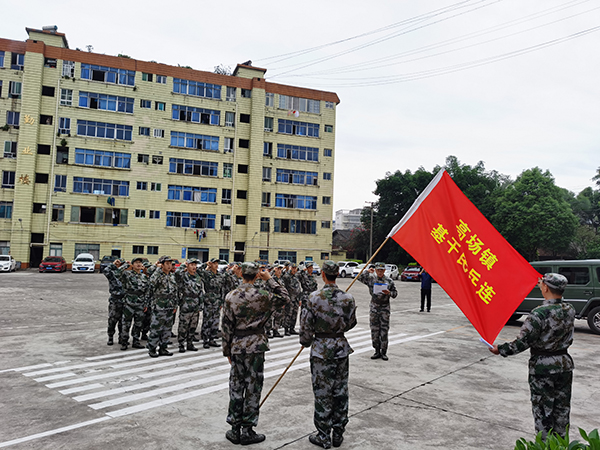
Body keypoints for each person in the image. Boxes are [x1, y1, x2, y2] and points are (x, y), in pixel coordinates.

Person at [489, 273, 575, 440]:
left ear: (546, 288)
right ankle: (561, 444)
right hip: (564, 364)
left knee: (543, 411)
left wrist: (501, 349)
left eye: (541, 284)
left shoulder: (538, 314)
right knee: (562, 410)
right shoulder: (570, 309)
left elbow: (523, 342)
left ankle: (544, 444)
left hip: (543, 367)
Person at [221, 262, 290, 445]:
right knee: (253, 388)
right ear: (256, 276)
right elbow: (285, 297)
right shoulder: (264, 295)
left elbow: (226, 326)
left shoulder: (231, 296)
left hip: (237, 345)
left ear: (241, 274)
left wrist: (227, 349)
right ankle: (247, 430)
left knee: (236, 386)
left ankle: (235, 429)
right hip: (256, 347)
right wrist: (270, 279)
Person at [300, 260, 357, 449]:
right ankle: (338, 433)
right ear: (338, 274)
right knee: (340, 391)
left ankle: (323, 435)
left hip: (321, 349)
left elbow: (306, 325)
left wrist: (306, 341)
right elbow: (351, 323)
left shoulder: (314, 297)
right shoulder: (347, 298)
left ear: (323, 274)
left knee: (323, 393)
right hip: (340, 347)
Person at [357, 262, 398, 361]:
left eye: (381, 270)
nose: (380, 272)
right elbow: (359, 278)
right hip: (374, 307)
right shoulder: (371, 279)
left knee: (384, 330)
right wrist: (367, 271)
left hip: (384, 308)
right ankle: (377, 350)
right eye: (378, 270)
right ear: (375, 270)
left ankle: (384, 352)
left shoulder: (389, 281)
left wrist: (389, 293)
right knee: (374, 330)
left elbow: (395, 293)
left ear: (384, 271)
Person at [147, 256, 179, 358]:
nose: (170, 266)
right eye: (167, 263)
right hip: (159, 305)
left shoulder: (172, 276)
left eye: (171, 264)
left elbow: (175, 292)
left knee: (167, 329)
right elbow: (152, 284)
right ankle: (152, 348)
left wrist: (175, 305)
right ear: (162, 264)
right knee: (156, 328)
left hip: (169, 305)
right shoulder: (157, 275)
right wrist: (157, 269)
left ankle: (163, 348)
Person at [118, 257, 149, 350]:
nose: (138, 264)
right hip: (129, 303)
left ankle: (136, 341)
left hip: (140, 303)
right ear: (132, 265)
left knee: (138, 324)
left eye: (140, 262)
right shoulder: (127, 274)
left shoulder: (144, 277)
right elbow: (116, 274)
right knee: (126, 324)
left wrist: (146, 303)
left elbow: (147, 291)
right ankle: (124, 342)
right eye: (136, 262)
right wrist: (125, 265)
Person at [174, 258, 203, 353]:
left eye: (195, 265)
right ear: (187, 265)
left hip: (195, 304)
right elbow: (177, 272)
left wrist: (200, 304)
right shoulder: (183, 276)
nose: (194, 267)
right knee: (183, 326)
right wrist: (183, 266)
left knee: (193, 326)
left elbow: (200, 292)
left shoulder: (198, 277)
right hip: (186, 304)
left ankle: (190, 343)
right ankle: (181, 344)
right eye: (192, 265)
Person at [199, 258, 225, 349]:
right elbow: (198, 271)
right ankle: (205, 340)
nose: (216, 265)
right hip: (209, 300)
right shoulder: (206, 274)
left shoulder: (220, 275)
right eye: (214, 263)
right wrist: (205, 264)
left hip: (217, 301)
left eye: (217, 263)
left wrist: (221, 301)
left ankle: (212, 339)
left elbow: (222, 289)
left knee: (215, 321)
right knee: (207, 320)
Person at [103, 257, 125, 346]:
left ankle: (121, 337)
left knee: (123, 321)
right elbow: (105, 270)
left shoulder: (127, 275)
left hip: (124, 300)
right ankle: (110, 337)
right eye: (120, 265)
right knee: (112, 320)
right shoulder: (112, 275)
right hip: (115, 300)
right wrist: (113, 264)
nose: (121, 267)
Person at [282, 262, 302, 335]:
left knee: (295, 313)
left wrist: (299, 299)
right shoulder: (287, 276)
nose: (294, 270)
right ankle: (286, 329)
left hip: (296, 298)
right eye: (293, 268)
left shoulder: (296, 277)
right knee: (288, 314)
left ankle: (292, 328)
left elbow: (298, 288)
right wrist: (288, 270)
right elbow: (285, 280)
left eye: (295, 268)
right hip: (290, 298)